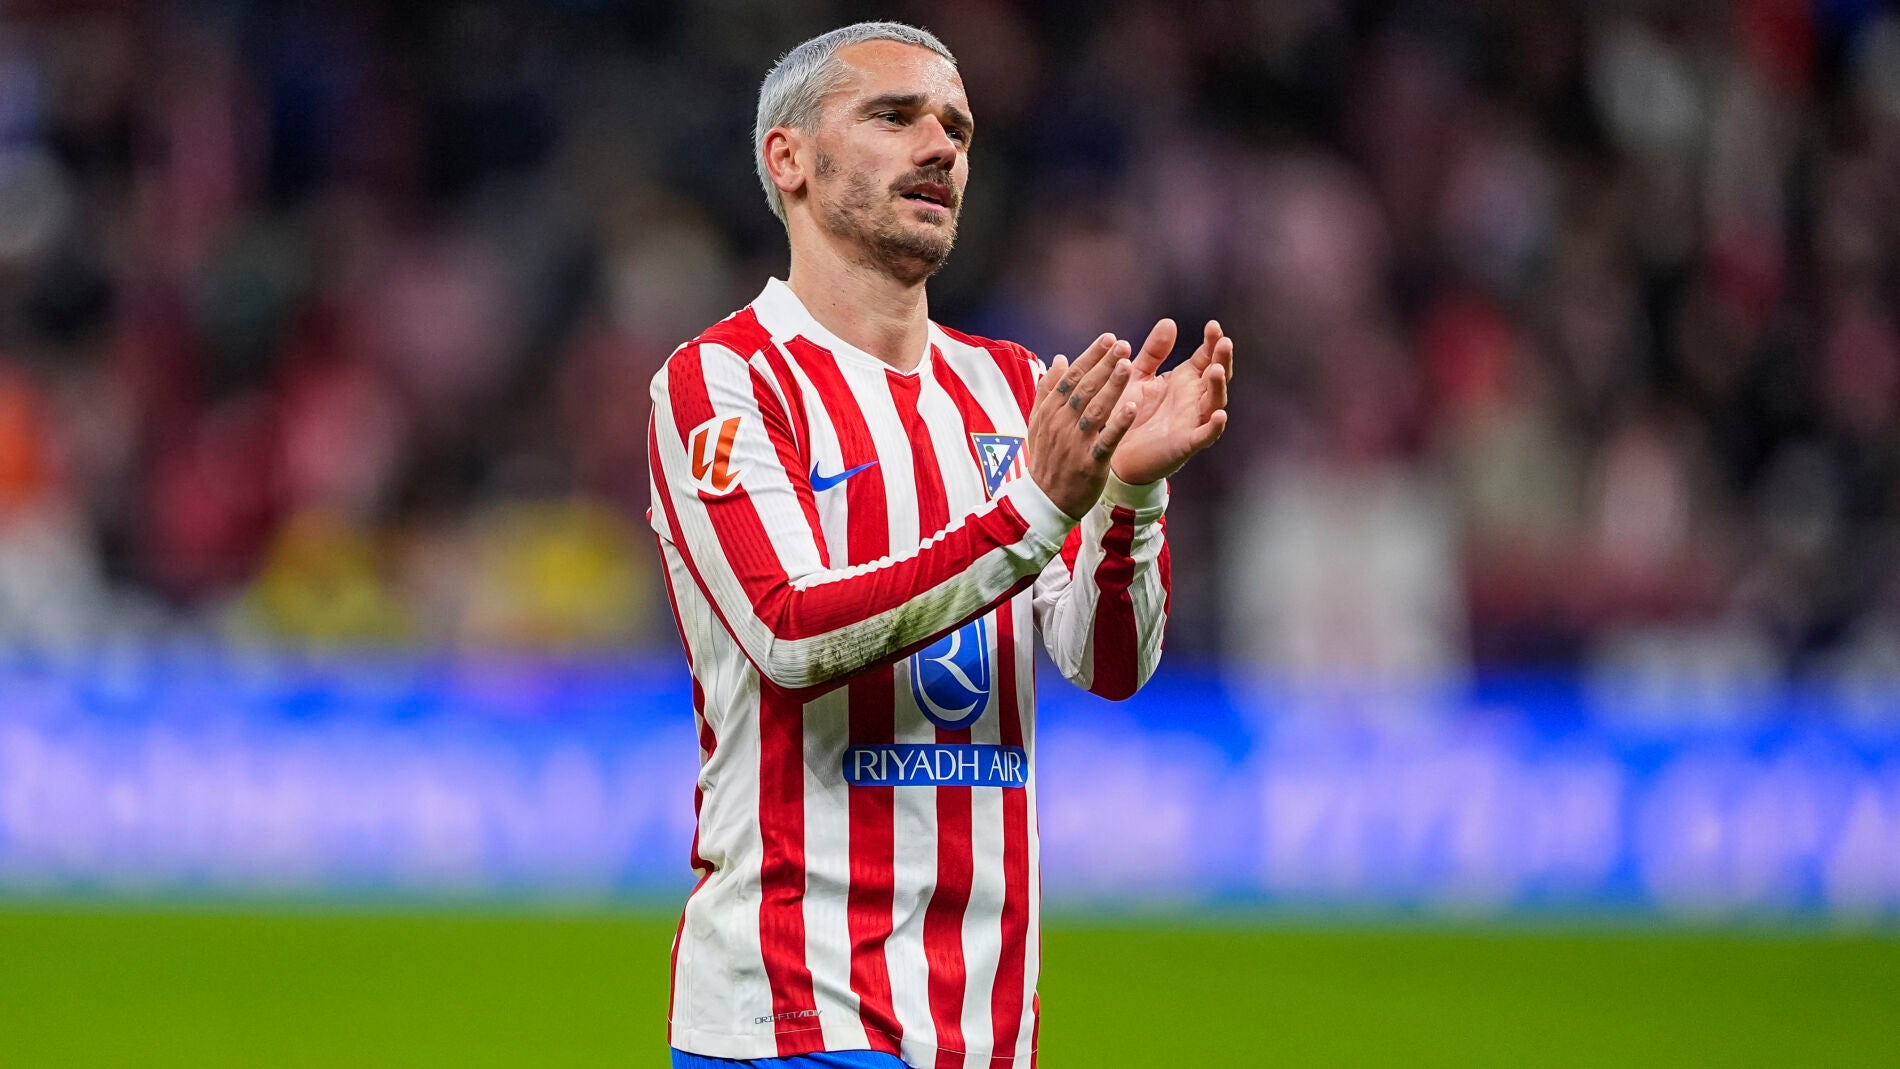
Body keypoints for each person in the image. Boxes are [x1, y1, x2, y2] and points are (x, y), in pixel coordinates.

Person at [649, 21, 1231, 1069]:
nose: (939, 147)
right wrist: (1036, 511)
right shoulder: (724, 380)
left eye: (957, 129)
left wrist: (1130, 496)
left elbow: (1106, 664)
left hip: (986, 1026)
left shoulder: (1016, 388)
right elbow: (790, 633)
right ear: (788, 158)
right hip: (797, 1011)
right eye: (894, 116)